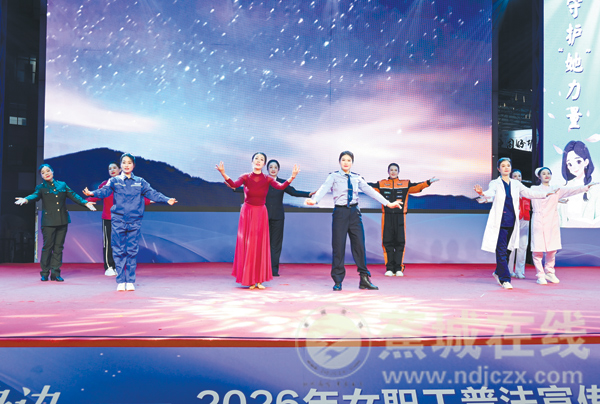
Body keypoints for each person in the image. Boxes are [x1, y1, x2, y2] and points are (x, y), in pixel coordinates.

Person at [305, 151, 402, 291]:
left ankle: (364, 279)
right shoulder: (333, 176)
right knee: (338, 247)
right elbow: (324, 188)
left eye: (349, 160)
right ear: (339, 162)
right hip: (340, 213)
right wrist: (315, 200)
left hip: (355, 213)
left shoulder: (357, 177)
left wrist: (388, 203)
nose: (346, 162)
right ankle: (338, 280)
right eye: (343, 160)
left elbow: (371, 191)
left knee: (359, 246)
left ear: (352, 163)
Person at [83, 153, 177, 291]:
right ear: (121, 165)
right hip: (118, 220)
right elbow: (104, 191)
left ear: (133, 165)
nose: (126, 165)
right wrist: (92, 193)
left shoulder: (140, 181)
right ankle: (121, 280)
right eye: (124, 162)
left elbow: (152, 193)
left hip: (134, 221)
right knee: (118, 250)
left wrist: (166, 199)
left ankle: (130, 281)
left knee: (132, 251)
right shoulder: (114, 181)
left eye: (129, 162)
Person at [216, 152, 300, 289]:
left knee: (260, 245)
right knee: (249, 245)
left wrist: (292, 177)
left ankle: (259, 280)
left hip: (261, 212)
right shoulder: (245, 177)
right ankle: (249, 278)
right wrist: (223, 173)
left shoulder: (267, 179)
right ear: (252, 161)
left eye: (261, 159)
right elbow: (234, 184)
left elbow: (280, 187)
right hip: (248, 213)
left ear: (264, 164)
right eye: (256, 158)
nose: (258, 161)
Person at [474, 158, 553, 290]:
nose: (506, 168)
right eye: (503, 166)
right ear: (498, 169)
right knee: (501, 250)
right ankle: (505, 279)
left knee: (508, 250)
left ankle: (498, 272)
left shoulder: (516, 184)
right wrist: (482, 193)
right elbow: (490, 192)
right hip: (500, 222)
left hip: (512, 221)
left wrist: (545, 193)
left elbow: (529, 192)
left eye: (508, 165)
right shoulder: (495, 183)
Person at [15, 164, 96, 281]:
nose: (46, 174)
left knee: (58, 248)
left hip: (62, 221)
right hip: (48, 222)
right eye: (43, 173)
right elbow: (34, 195)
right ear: (41, 176)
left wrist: (85, 203)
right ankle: (44, 273)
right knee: (47, 247)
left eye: (48, 171)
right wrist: (26, 199)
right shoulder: (41, 187)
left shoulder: (62, 185)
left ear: (52, 171)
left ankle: (55, 273)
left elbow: (73, 195)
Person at [369, 163, 438, 276]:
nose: (393, 172)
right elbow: (368, 187)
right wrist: (358, 181)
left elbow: (417, 187)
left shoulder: (406, 184)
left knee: (400, 242)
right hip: (387, 216)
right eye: (391, 170)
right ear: (388, 171)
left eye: (395, 170)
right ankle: (389, 268)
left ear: (398, 172)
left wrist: (428, 182)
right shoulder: (381, 184)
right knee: (387, 242)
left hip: (400, 216)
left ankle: (398, 268)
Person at [530, 167, 596, 285]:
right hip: (538, 220)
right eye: (543, 173)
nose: (546, 175)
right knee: (537, 250)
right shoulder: (534, 189)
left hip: (552, 221)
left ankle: (550, 272)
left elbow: (571, 190)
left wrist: (585, 187)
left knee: (552, 249)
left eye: (548, 173)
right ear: (538, 176)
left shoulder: (556, 189)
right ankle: (540, 275)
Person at [86, 161, 152, 277]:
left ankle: (118, 266)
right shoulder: (105, 184)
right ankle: (109, 267)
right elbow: (96, 196)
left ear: (120, 169)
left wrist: (153, 200)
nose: (112, 170)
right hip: (108, 218)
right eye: (110, 168)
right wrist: (84, 202)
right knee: (108, 244)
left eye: (114, 168)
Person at [558, 140, 599, 227]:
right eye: (569, 164)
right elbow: (559, 217)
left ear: (586, 162)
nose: (574, 167)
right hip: (566, 232)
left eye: (578, 161)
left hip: (589, 233)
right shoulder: (564, 189)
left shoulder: (596, 189)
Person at [507, 169, 530, 279]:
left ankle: (520, 271)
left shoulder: (526, 191)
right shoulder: (509, 191)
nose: (517, 178)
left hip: (525, 220)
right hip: (513, 220)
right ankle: (509, 270)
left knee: (523, 246)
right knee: (511, 246)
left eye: (519, 176)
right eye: (515, 176)